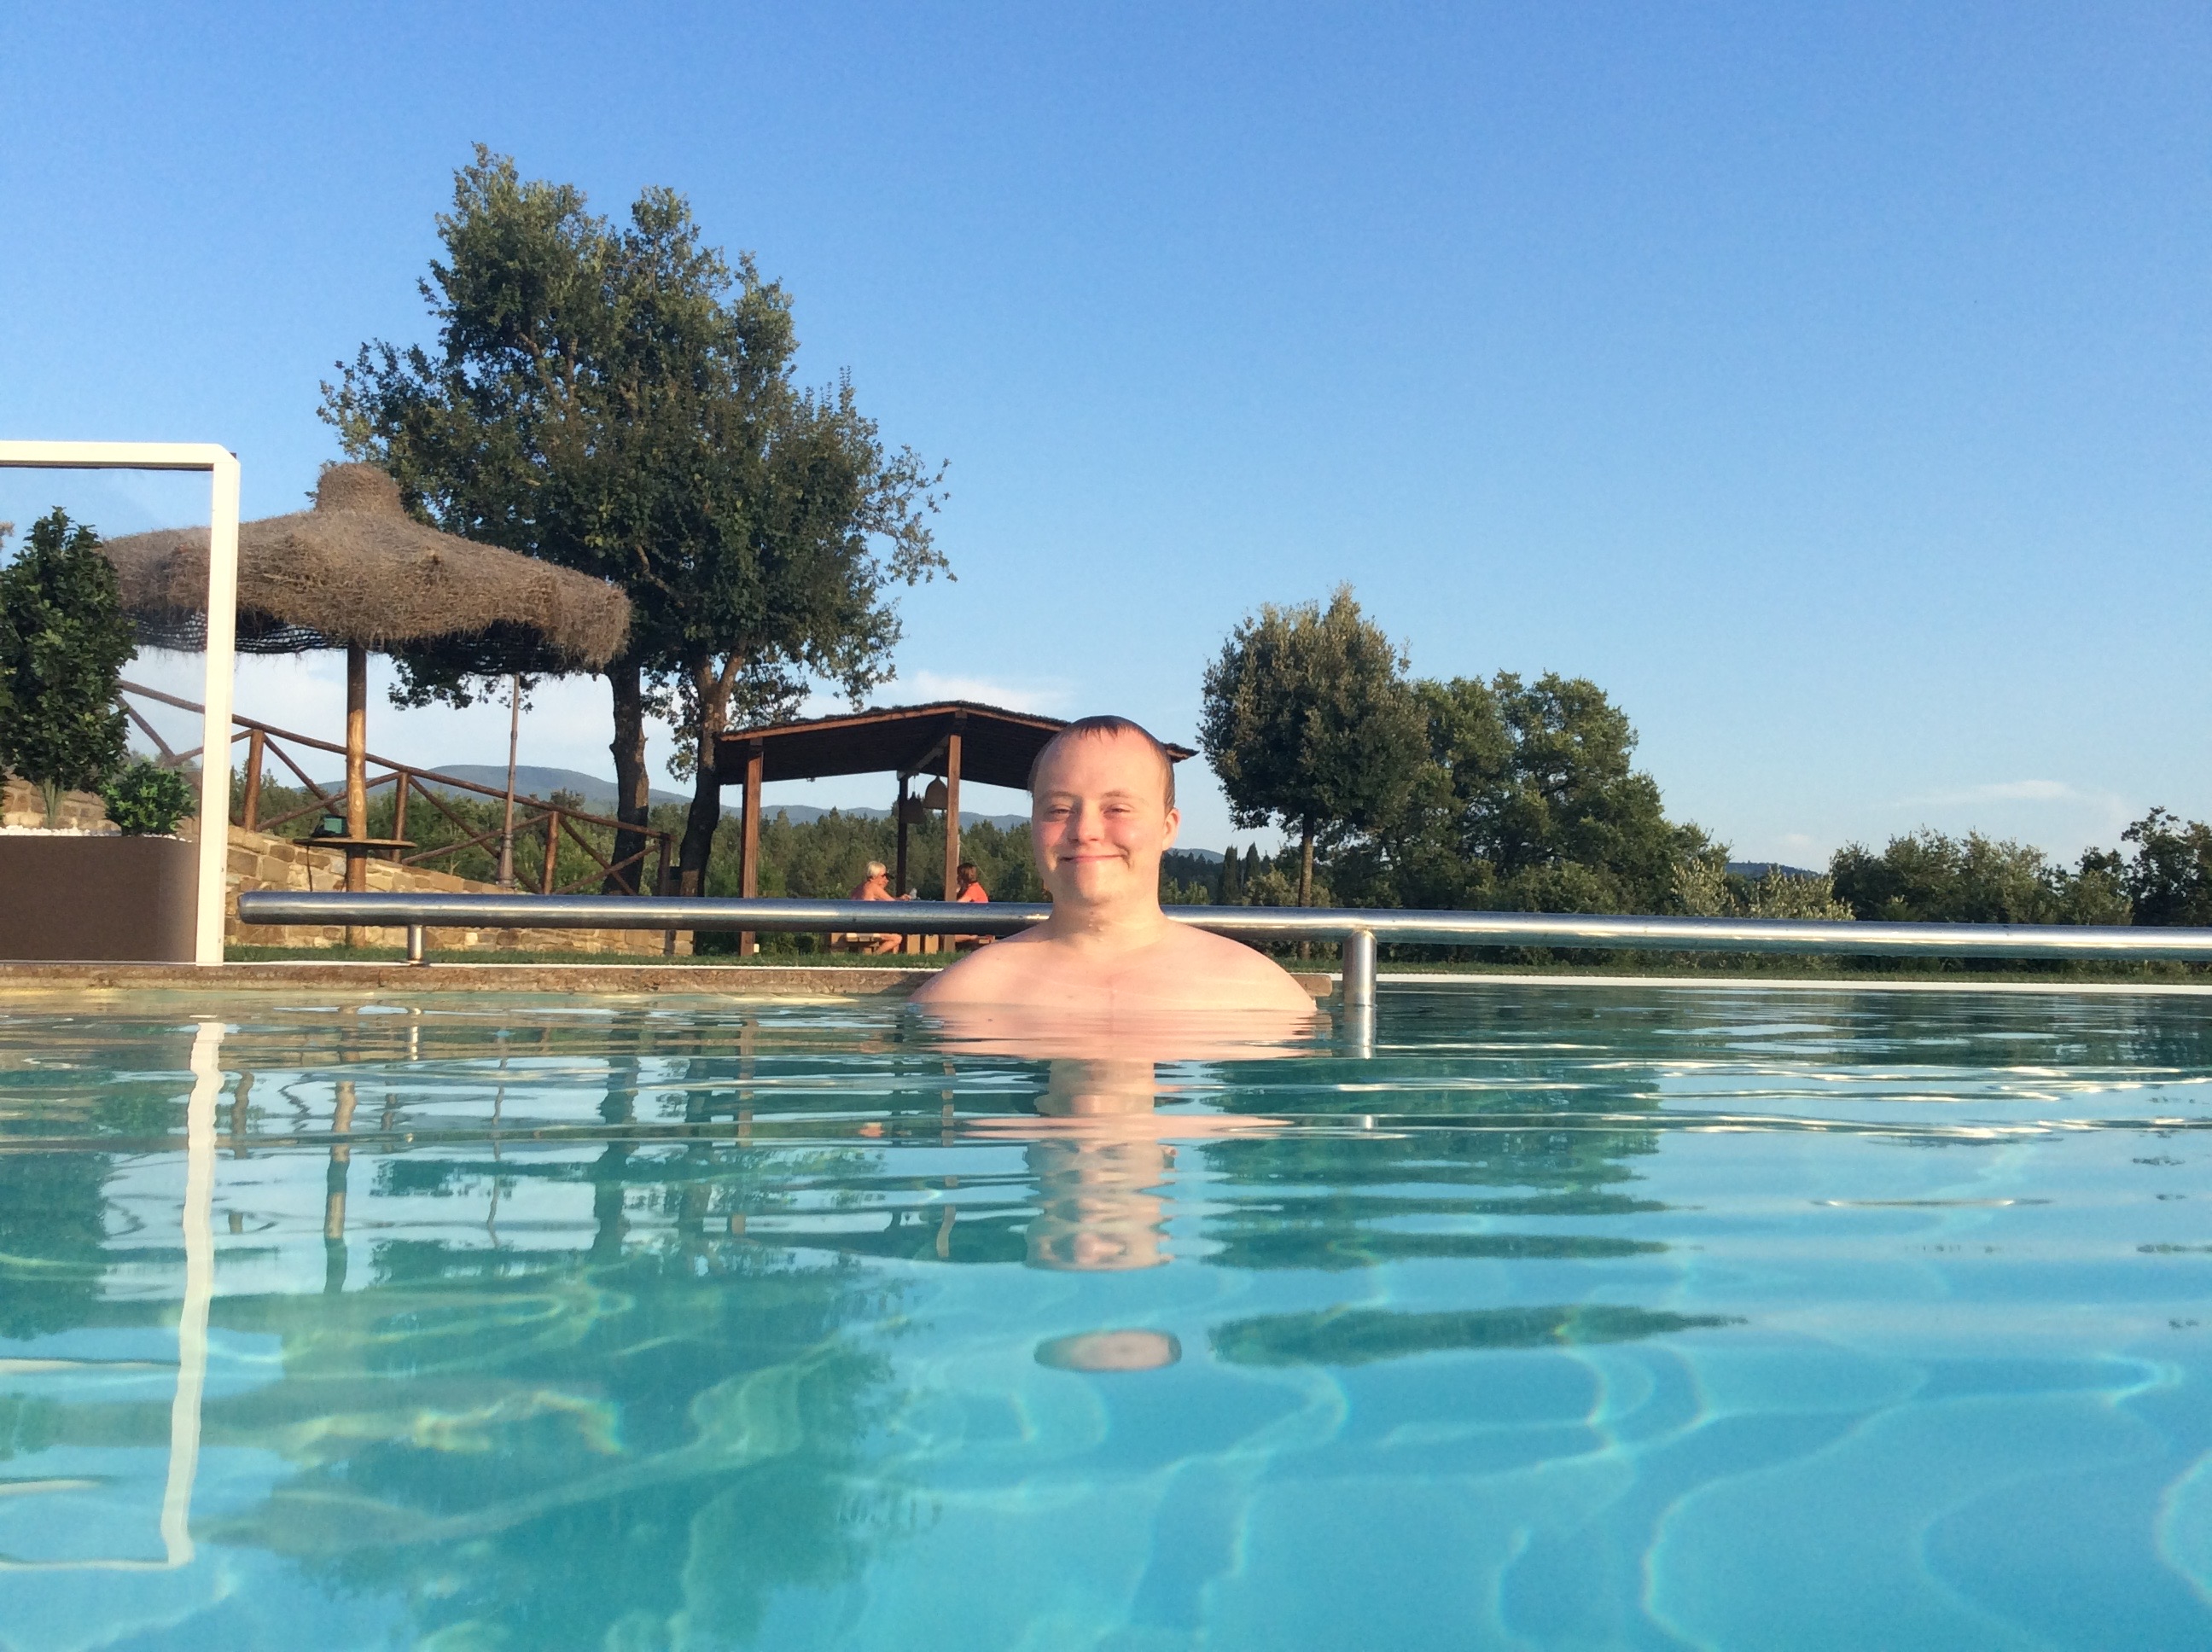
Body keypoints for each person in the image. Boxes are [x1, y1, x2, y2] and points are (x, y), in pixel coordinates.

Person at [911, 716, 1313, 1015]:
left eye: (1117, 808)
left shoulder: (1265, 998)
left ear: (1167, 828)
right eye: (1059, 809)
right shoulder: (956, 999)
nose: (1085, 831)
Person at [835, 860, 901, 955]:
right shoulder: (873, 887)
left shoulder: (859, 887)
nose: (886, 880)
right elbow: (893, 903)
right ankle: (875, 956)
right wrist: (902, 900)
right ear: (874, 876)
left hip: (853, 925)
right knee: (897, 938)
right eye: (883, 876)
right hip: (867, 927)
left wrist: (898, 899)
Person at [952, 859, 991, 951]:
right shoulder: (975, 887)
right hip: (977, 924)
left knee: (947, 937)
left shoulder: (973, 890)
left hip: (979, 928)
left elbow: (958, 904)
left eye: (958, 875)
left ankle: (972, 937)